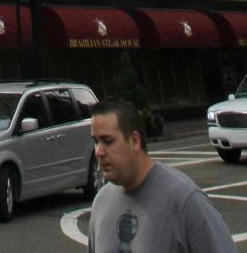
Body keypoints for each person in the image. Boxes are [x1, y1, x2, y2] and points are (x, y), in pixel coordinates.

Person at [88, 99, 237, 253]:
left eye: (107, 141)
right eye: (96, 141)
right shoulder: (101, 203)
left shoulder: (185, 201)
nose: (99, 151)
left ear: (134, 141)